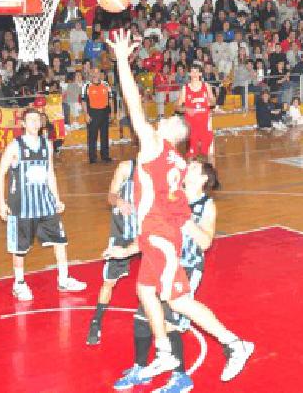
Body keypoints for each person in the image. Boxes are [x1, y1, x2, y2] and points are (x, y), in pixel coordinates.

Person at [107, 29, 253, 384]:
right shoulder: (175, 161)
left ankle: (234, 344)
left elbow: (132, 104)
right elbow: (177, 207)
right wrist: (133, 243)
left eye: (171, 119)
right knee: (144, 291)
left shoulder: (157, 148)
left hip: (160, 238)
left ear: (174, 133)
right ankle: (166, 351)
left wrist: (123, 62)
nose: (165, 117)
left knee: (180, 303)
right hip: (157, 234)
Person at [113, 160, 219, 392]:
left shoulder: (205, 205)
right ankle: (140, 369)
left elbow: (205, 242)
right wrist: (126, 251)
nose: (186, 168)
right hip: (160, 265)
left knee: (169, 322)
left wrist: (184, 220)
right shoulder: (172, 196)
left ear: (203, 179)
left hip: (187, 267)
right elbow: (152, 233)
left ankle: (180, 377)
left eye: (192, 168)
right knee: (143, 318)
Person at [0, 108, 87, 301]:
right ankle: (19, 284)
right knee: (19, 247)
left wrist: (57, 198)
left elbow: (50, 173)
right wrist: (1, 203)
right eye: (31, 120)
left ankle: (63, 278)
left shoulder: (47, 144)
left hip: (45, 203)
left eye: (38, 119)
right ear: (23, 124)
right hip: (22, 205)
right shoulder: (15, 146)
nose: (35, 123)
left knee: (60, 241)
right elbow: (0, 173)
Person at [86, 159, 139, 345]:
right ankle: (96, 321)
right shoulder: (127, 167)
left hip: (147, 234)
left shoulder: (160, 169)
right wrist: (119, 201)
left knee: (158, 279)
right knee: (109, 281)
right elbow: (110, 195)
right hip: (122, 233)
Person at [176, 64, 217, 167]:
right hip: (192, 126)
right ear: (189, 74)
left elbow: (213, 101)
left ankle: (211, 177)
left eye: (196, 71)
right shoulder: (185, 88)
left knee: (209, 155)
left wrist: (210, 101)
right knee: (191, 155)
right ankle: (190, 176)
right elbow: (176, 106)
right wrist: (185, 108)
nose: (194, 74)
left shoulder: (206, 86)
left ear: (200, 73)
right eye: (192, 71)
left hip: (205, 125)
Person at [83, 68, 113, 164]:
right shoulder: (86, 86)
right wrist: (86, 114)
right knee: (92, 136)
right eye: (94, 73)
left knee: (105, 135)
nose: (96, 74)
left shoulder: (106, 84)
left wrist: (112, 112)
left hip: (104, 112)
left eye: (97, 72)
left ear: (100, 74)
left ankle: (105, 156)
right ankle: (92, 157)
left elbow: (110, 100)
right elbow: (83, 101)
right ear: (91, 74)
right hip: (93, 112)